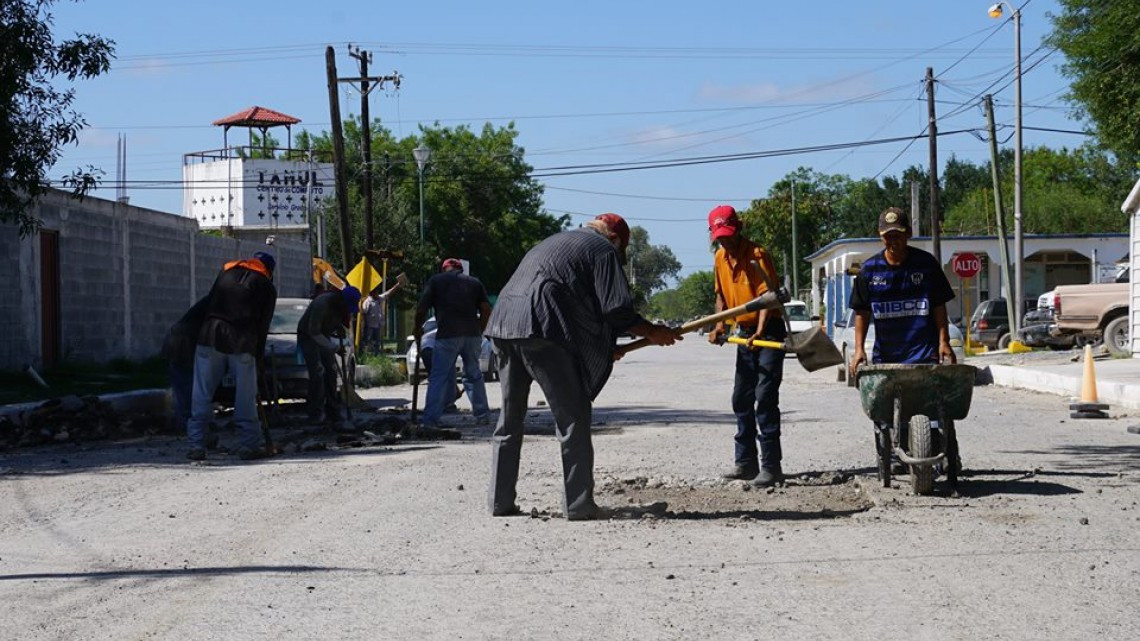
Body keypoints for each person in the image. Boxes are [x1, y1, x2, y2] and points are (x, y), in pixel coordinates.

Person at [485, 213, 681, 520]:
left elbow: (575, 305)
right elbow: (615, 309)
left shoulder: (554, 242)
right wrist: (652, 331)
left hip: (503, 325)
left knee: (509, 420)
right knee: (573, 417)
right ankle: (579, 504)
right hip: (541, 330)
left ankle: (500, 501)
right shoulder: (603, 251)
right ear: (615, 240)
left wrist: (603, 350)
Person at [705, 205, 788, 487]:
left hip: (769, 331)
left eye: (729, 235)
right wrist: (720, 326)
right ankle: (745, 463)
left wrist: (761, 331)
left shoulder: (757, 255)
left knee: (765, 397)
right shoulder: (719, 258)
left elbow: (767, 298)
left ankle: (771, 466)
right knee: (741, 398)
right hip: (745, 332)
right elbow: (721, 298)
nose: (725, 241)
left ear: (738, 228)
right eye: (720, 237)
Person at [185, 252, 277, 461]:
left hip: (210, 336)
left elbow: (209, 304)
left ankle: (196, 444)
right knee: (245, 396)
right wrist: (259, 357)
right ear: (269, 271)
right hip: (242, 341)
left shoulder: (225, 273)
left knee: (202, 393)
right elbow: (263, 326)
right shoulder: (266, 285)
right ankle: (248, 445)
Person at [848, 207, 957, 373]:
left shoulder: (927, 264)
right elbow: (862, 313)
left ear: (908, 233)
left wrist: (944, 342)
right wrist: (858, 349)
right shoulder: (869, 270)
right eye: (887, 236)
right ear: (880, 236)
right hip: (886, 358)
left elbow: (939, 306)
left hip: (924, 357)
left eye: (897, 235)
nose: (893, 241)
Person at [414, 258, 492, 427]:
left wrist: (417, 328)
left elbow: (421, 309)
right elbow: (486, 308)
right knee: (474, 375)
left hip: (447, 335)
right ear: (460, 270)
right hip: (472, 335)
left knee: (438, 377)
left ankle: (430, 419)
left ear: (444, 269)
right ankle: (482, 415)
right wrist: (481, 329)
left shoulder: (436, 281)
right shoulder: (474, 283)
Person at [297, 285, 361, 424]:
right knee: (318, 373)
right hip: (308, 336)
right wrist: (334, 347)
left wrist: (339, 329)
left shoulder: (340, 307)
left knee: (331, 372)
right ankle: (315, 413)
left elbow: (332, 322)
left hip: (323, 335)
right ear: (342, 300)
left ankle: (333, 410)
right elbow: (314, 332)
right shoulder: (322, 303)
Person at [161, 295, 209, 436]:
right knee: (186, 386)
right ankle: (188, 426)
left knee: (185, 387)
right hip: (184, 345)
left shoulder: (215, 300)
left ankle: (188, 424)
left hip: (184, 342)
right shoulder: (220, 303)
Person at [361, 277, 404, 355]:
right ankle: (365, 355)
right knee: (367, 341)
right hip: (369, 326)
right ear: (372, 293)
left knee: (377, 342)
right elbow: (363, 313)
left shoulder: (379, 299)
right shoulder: (367, 302)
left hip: (377, 325)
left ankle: (376, 356)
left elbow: (389, 293)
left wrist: (398, 285)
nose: (377, 294)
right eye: (376, 292)